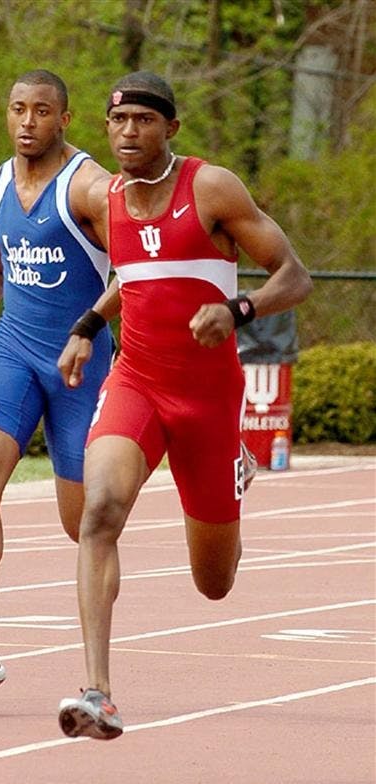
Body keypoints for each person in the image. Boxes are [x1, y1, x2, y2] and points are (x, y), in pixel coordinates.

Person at [56, 71, 313, 740]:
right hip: (135, 380)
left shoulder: (212, 188)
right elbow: (132, 277)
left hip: (206, 399)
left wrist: (238, 310)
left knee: (214, 583)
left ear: (171, 127)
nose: (128, 133)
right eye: (117, 122)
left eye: (143, 121)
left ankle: (233, 467)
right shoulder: (106, 197)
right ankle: (96, 692)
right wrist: (87, 327)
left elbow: (295, 275)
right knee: (100, 512)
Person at [0, 69, 114, 700]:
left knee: (85, 522)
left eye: (41, 111)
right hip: (13, 348)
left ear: (65, 119)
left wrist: (90, 329)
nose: (27, 121)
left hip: (82, 360)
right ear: (6, 115)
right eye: (17, 109)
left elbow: (134, 275)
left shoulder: (90, 188)